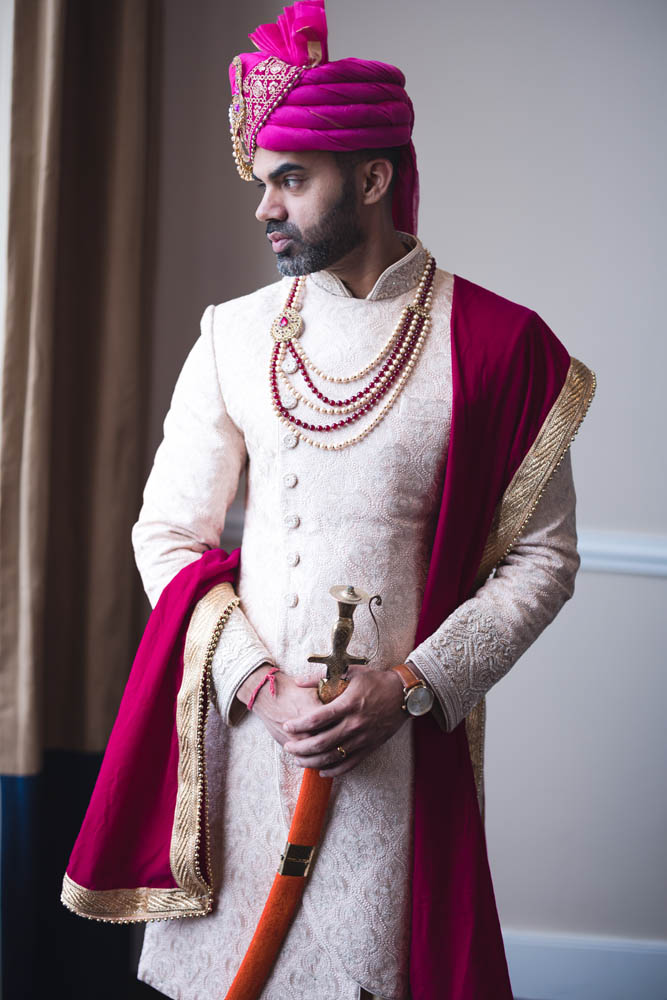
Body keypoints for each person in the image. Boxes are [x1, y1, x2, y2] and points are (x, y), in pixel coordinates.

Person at [61, 3, 595, 999]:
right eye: (262, 184)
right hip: (240, 749)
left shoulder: (497, 346)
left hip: (394, 759)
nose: (265, 207)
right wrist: (260, 684)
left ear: (375, 177)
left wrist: (405, 689)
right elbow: (168, 534)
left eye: (291, 181)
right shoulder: (230, 334)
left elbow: (544, 560)